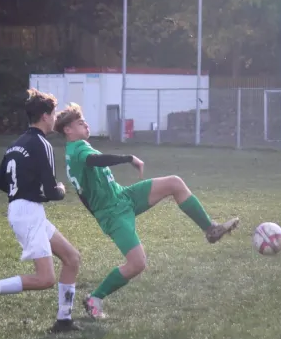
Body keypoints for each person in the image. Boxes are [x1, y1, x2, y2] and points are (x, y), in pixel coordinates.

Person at [54, 103, 240, 319]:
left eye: (84, 120)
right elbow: (95, 160)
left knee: (174, 183)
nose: (85, 123)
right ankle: (95, 298)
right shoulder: (78, 150)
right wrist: (128, 158)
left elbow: (86, 188)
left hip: (122, 196)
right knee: (137, 264)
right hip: (112, 213)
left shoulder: (77, 148)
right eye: (79, 122)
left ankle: (211, 229)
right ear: (67, 130)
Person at [0, 89, 82, 333]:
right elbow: (52, 192)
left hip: (24, 209)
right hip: (28, 212)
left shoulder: (16, 143)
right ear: (45, 116)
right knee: (45, 279)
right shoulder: (42, 144)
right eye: (54, 113)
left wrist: (22, 190)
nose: (55, 117)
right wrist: (60, 189)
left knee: (72, 258)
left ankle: (64, 320)